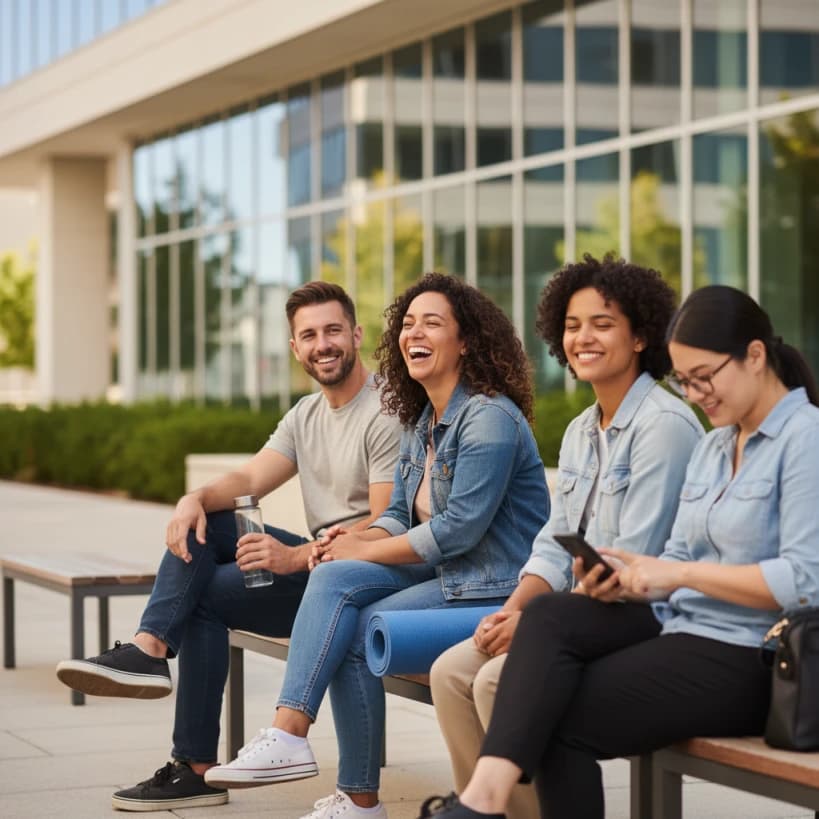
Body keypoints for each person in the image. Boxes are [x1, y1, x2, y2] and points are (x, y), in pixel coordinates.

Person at [419, 284, 819, 819]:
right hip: (681, 629)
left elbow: (803, 581)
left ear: (754, 355)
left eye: (704, 378)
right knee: (551, 622)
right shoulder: (715, 445)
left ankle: (478, 803)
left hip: (756, 655)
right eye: (686, 380)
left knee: (547, 702)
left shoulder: (804, 438)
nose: (696, 394)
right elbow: (672, 556)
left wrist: (678, 576)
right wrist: (637, 577)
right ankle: (482, 799)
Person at [203, 273, 551, 819]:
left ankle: (334, 774)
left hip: (495, 586)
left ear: (466, 341)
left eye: (432, 323)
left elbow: (458, 530)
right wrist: (353, 537)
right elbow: (395, 513)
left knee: (354, 615)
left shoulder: (489, 418)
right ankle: (312, 758)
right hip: (447, 576)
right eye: (408, 323)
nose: (415, 331)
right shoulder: (420, 417)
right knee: (336, 583)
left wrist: (362, 551)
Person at [55, 281, 403, 812]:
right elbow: (248, 478)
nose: (322, 344)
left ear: (356, 335)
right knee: (208, 532)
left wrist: (294, 557)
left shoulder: (384, 411)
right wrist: (191, 498)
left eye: (333, 330)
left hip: (356, 579)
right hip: (317, 569)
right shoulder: (306, 415)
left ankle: (166, 694)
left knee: (202, 593)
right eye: (308, 335)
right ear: (294, 348)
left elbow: (381, 527)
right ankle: (161, 676)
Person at [429, 255, 702, 819]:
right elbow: (555, 542)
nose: (583, 338)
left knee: (497, 683)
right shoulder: (581, 430)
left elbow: (631, 562)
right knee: (453, 670)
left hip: (645, 615)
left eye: (602, 324)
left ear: (641, 335)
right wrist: (511, 613)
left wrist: (534, 627)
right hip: (578, 613)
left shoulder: (665, 428)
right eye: (573, 325)